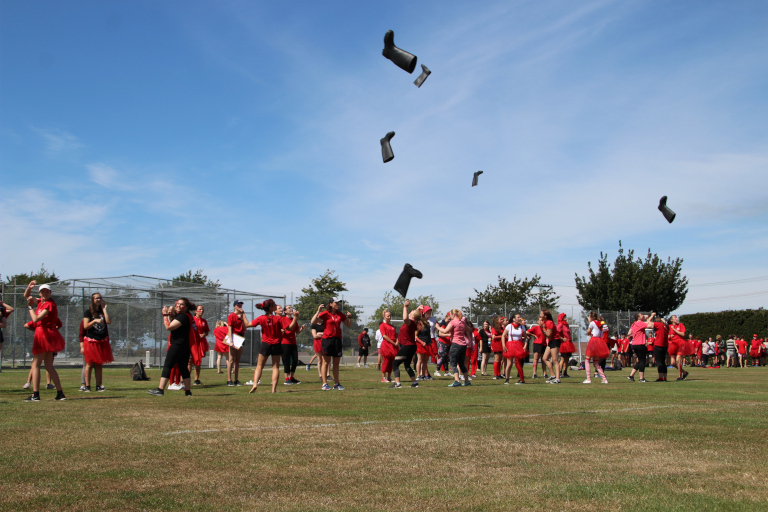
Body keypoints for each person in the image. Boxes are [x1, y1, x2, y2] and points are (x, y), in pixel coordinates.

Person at [23, 281, 66, 401]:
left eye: (47, 291)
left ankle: (35, 395)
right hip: (46, 334)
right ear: (40, 293)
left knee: (35, 364)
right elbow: (27, 297)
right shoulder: (42, 302)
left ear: (50, 293)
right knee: (48, 366)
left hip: (44, 335)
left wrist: (30, 307)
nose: (45, 293)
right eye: (42, 291)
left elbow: (36, 319)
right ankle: (60, 393)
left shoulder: (48, 304)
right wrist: (29, 288)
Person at [246, 300, 299, 393]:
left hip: (265, 344)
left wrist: (243, 315)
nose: (277, 306)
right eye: (274, 305)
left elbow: (248, 325)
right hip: (276, 344)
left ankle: (255, 384)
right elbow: (290, 328)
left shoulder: (261, 318)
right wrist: (295, 317)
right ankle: (273, 389)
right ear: (271, 307)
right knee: (275, 367)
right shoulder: (278, 319)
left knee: (259, 366)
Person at [149, 298, 198, 397]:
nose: (178, 306)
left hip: (178, 345)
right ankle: (188, 391)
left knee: (168, 365)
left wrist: (165, 315)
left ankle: (160, 389)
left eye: (181, 305)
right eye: (177, 304)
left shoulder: (182, 316)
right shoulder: (187, 315)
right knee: (183, 368)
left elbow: (169, 327)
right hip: (185, 346)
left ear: (186, 307)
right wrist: (171, 315)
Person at [311, 298, 352, 391]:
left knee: (336, 363)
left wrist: (350, 317)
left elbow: (348, 325)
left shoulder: (340, 314)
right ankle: (324, 384)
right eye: (335, 303)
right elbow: (313, 321)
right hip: (327, 340)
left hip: (337, 340)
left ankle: (337, 383)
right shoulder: (325, 313)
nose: (337, 304)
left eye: (338, 303)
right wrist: (318, 311)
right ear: (330, 304)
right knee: (326, 362)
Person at [81, 293, 113, 392]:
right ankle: (87, 385)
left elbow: (108, 321)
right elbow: (85, 326)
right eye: (96, 298)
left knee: (99, 364)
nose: (98, 300)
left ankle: (99, 385)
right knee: (89, 364)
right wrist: (94, 321)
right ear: (92, 300)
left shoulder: (102, 311)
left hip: (102, 340)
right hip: (91, 340)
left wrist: (104, 309)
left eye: (100, 298)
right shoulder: (88, 312)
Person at [389, 300, 421, 389]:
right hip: (411, 346)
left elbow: (405, 318)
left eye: (412, 312)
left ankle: (398, 384)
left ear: (413, 316)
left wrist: (405, 307)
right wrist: (418, 308)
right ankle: (414, 383)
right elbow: (413, 315)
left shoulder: (410, 322)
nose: (411, 311)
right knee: (407, 365)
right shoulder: (413, 323)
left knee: (395, 364)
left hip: (407, 347)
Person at [437, 309, 473, 387]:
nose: (450, 317)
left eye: (450, 315)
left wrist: (438, 327)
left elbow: (445, 330)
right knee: (462, 363)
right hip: (463, 345)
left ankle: (457, 381)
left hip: (455, 344)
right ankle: (467, 381)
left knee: (453, 363)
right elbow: (469, 329)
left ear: (453, 315)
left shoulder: (453, 322)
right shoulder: (462, 322)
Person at [582, 311, 610, 384]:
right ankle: (604, 379)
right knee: (596, 363)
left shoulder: (592, 323)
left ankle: (588, 379)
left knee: (587, 360)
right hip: (600, 342)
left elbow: (588, 332)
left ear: (591, 317)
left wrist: (589, 327)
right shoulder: (600, 323)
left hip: (594, 341)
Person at [280, 305, 304, 385]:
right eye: (288, 308)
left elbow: (296, 331)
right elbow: (289, 328)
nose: (291, 309)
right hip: (285, 342)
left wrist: (300, 329)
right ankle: (286, 378)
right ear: (285, 311)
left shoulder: (293, 319)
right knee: (286, 361)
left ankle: (291, 377)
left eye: (291, 307)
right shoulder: (283, 319)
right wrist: (295, 317)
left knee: (295, 360)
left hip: (293, 342)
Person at [227, 300, 248, 386]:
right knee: (231, 360)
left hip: (240, 336)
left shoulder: (242, 316)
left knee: (237, 360)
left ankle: (236, 379)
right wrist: (231, 340)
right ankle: (229, 380)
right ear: (235, 306)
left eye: (241, 305)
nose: (240, 306)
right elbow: (229, 328)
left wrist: (242, 319)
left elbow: (245, 328)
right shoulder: (231, 316)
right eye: (238, 305)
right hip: (234, 336)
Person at [502, 314, 528, 384]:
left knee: (518, 362)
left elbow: (526, 337)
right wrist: (504, 345)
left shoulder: (522, 327)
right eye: (518, 317)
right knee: (509, 363)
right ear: (514, 319)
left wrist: (525, 345)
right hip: (510, 345)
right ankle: (507, 379)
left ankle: (522, 379)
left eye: (520, 317)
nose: (519, 318)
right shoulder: (509, 326)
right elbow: (503, 336)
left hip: (519, 345)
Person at [627, 313, 653, 382]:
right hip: (640, 344)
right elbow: (650, 326)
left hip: (634, 344)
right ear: (638, 317)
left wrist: (636, 333)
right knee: (643, 361)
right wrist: (647, 319)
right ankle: (641, 378)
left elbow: (629, 333)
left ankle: (631, 375)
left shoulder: (634, 323)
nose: (643, 315)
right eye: (641, 315)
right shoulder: (641, 323)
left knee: (641, 360)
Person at [189, 305, 210, 385]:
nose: (201, 311)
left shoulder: (204, 321)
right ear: (195, 311)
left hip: (201, 342)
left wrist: (204, 334)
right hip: (193, 342)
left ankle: (196, 379)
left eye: (202, 309)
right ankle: (186, 378)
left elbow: (206, 331)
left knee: (198, 361)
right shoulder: (192, 320)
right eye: (199, 309)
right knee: (190, 361)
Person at [540, 310, 561, 384]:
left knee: (555, 360)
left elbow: (549, 335)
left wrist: (543, 329)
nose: (540, 315)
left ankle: (558, 378)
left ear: (545, 316)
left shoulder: (549, 323)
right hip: (551, 341)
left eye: (541, 314)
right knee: (545, 358)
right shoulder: (544, 322)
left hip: (555, 340)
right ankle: (553, 375)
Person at [667, 315, 690, 380]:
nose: (676, 319)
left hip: (680, 343)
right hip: (672, 344)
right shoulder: (669, 327)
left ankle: (680, 376)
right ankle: (684, 372)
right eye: (675, 318)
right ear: (672, 320)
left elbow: (683, 334)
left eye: (676, 317)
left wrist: (675, 330)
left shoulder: (680, 325)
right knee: (673, 363)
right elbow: (667, 336)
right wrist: (669, 336)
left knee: (678, 360)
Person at [378, 309, 397, 383]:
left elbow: (396, 335)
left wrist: (397, 342)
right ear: (384, 316)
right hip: (386, 345)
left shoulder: (392, 326)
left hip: (393, 345)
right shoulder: (382, 325)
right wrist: (392, 342)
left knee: (391, 361)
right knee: (386, 360)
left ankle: (389, 377)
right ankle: (383, 377)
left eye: (390, 316)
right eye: (387, 316)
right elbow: (384, 335)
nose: (389, 317)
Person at [415, 305, 434, 380]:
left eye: (429, 312)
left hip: (428, 343)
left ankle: (423, 375)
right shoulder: (420, 322)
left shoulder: (427, 323)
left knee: (425, 361)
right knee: (420, 360)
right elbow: (415, 336)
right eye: (427, 312)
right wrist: (421, 342)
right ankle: (418, 375)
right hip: (421, 344)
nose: (428, 313)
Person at [649, 314, 668, 382]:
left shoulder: (658, 324)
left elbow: (649, 323)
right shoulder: (664, 326)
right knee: (663, 362)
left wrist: (651, 316)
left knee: (659, 362)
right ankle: (664, 378)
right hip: (665, 345)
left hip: (658, 345)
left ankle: (660, 377)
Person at [433, 312, 452, 377]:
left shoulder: (449, 324)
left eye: (450, 319)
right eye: (448, 319)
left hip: (448, 343)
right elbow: (440, 334)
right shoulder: (443, 324)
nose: (449, 321)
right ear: (446, 317)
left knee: (446, 358)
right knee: (442, 356)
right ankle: (437, 370)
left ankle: (446, 371)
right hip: (442, 342)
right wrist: (448, 334)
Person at [557, 313, 575, 378]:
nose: (566, 318)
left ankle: (565, 372)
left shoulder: (566, 324)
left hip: (569, 342)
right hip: (564, 343)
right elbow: (556, 332)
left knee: (567, 359)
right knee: (563, 358)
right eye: (564, 317)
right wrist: (562, 338)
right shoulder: (560, 324)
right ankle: (560, 372)